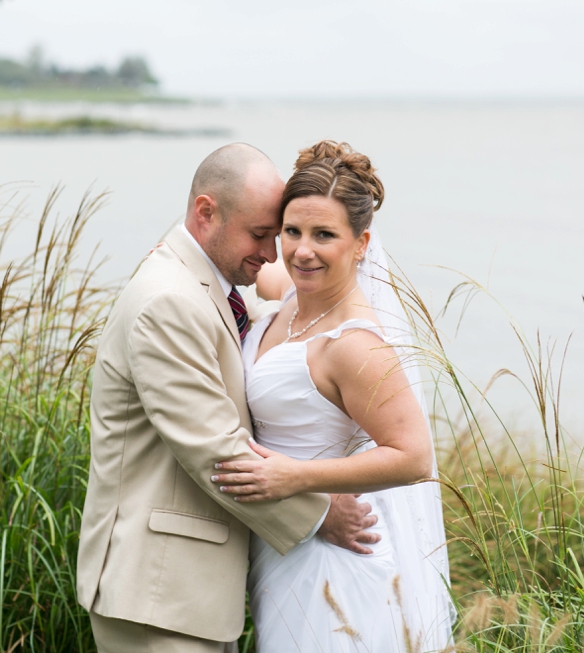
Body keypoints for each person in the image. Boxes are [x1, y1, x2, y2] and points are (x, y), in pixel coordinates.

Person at [76, 143, 380, 652]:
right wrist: (323, 513)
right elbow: (215, 451)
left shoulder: (202, 283)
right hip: (159, 593)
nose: (270, 253)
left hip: (188, 595)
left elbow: (241, 343)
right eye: (260, 234)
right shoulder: (168, 300)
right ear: (206, 213)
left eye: (275, 233)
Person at [210, 141, 455, 651]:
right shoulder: (292, 296)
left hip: (337, 561)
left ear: (361, 244)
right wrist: (175, 262)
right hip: (284, 548)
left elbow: (413, 457)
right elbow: (237, 266)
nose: (302, 250)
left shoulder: (352, 343)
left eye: (325, 235)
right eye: (292, 231)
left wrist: (296, 477)